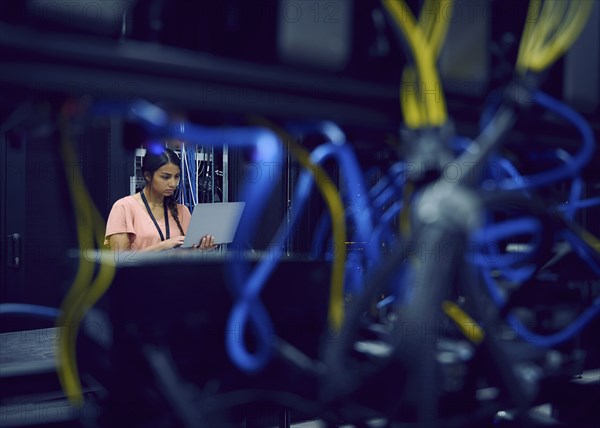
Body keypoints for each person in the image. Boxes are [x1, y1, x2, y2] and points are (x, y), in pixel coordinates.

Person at [105, 146, 216, 252]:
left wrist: (201, 249)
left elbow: (189, 254)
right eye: (165, 177)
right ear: (148, 175)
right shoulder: (124, 207)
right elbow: (119, 259)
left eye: (177, 176)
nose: (173, 183)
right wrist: (162, 246)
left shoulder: (182, 211)